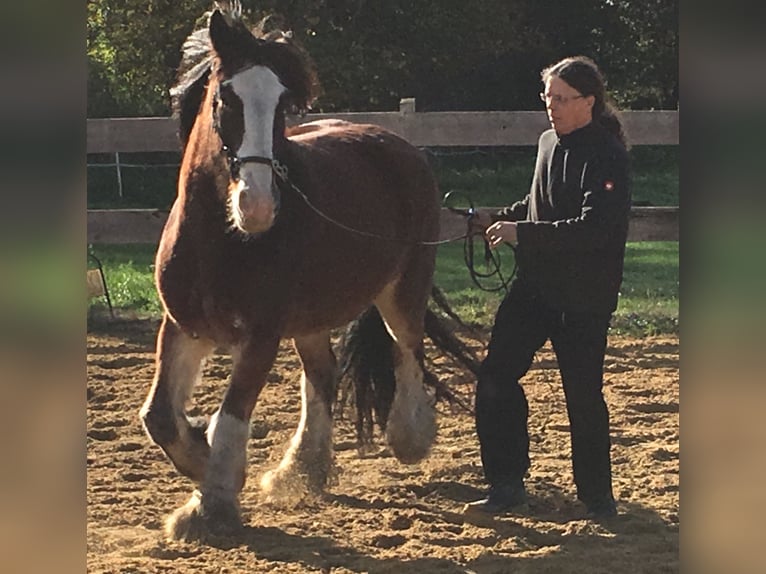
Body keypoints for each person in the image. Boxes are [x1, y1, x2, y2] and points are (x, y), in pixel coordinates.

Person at [465, 56, 631, 519]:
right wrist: (501, 218)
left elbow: (596, 227)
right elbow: (540, 203)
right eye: (548, 98)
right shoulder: (546, 144)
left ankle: (597, 497)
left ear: (588, 102)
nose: (551, 107)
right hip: (535, 286)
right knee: (496, 375)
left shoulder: (607, 154)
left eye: (560, 99)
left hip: (584, 296)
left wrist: (524, 233)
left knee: (582, 394)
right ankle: (505, 482)